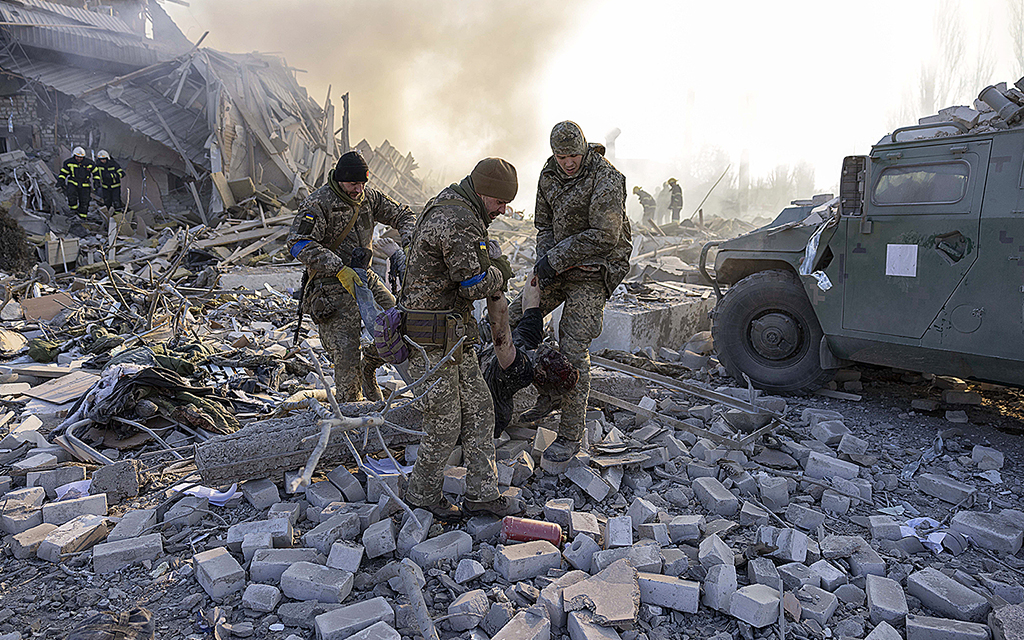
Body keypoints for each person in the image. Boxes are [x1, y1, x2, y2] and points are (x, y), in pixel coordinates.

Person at [401, 157, 521, 519]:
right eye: (501, 202)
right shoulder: (458, 218)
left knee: (481, 409)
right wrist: (501, 270)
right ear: (485, 192)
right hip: (430, 340)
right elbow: (471, 284)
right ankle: (422, 496)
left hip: (454, 337)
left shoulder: (462, 206)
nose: (503, 209)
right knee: (445, 421)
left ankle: (481, 493)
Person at [509, 120, 632, 463]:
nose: (568, 162)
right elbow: (543, 225)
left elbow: (606, 234)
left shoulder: (606, 177)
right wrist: (545, 260)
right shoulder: (549, 174)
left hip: (595, 269)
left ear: (583, 149)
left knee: (573, 346)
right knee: (514, 317)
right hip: (559, 266)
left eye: (573, 155)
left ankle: (569, 434)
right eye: (561, 156)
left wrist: (556, 258)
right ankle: (548, 393)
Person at [288, 151, 415, 403]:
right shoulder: (318, 203)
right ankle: (352, 410)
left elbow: (403, 214)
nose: (358, 189)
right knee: (346, 354)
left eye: (362, 183)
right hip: (330, 285)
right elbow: (297, 243)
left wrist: (410, 244)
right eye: (353, 184)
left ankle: (369, 364)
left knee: (402, 325)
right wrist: (337, 267)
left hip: (365, 277)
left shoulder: (370, 198)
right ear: (340, 179)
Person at [480, 272, 579, 437]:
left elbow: (500, 335)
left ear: (540, 374)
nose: (550, 352)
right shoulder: (532, 340)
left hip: (488, 412)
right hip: (484, 357)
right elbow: (531, 299)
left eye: (549, 360)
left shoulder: (521, 371)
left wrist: (495, 290)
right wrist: (538, 270)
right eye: (556, 355)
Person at [58, 147, 94, 220]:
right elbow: (64, 172)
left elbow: (96, 172)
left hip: (85, 184)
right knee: (71, 197)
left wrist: (96, 181)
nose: (79, 159)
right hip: (73, 182)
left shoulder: (89, 163)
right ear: (74, 155)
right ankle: (73, 212)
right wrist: (61, 180)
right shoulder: (69, 162)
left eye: (81, 157)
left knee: (84, 201)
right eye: (77, 157)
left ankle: (82, 217)